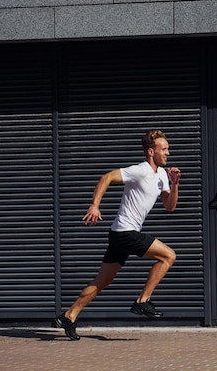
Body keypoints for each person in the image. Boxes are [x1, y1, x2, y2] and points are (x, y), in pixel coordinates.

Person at [54, 130, 181, 340]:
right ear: (151, 152)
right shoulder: (139, 170)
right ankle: (142, 301)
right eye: (164, 149)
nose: (168, 152)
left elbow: (169, 206)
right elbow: (106, 177)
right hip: (125, 232)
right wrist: (95, 205)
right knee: (168, 256)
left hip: (120, 234)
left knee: (103, 280)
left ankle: (69, 315)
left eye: (168, 149)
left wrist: (175, 183)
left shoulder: (162, 176)